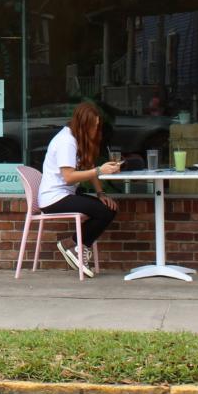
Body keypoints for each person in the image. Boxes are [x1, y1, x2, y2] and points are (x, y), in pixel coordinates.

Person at [38, 101, 122, 278]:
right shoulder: (66, 141)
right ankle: (76, 246)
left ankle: (73, 244)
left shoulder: (76, 138)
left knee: (107, 207)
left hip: (64, 194)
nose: (95, 130)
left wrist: (101, 193)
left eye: (97, 126)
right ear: (84, 125)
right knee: (105, 211)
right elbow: (69, 176)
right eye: (93, 126)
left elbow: (89, 166)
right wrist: (100, 170)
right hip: (53, 198)